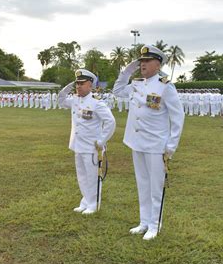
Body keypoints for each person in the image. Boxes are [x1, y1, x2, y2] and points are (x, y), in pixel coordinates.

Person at [113, 45, 184, 240]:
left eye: (146, 61)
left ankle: (155, 224)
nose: (142, 64)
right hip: (137, 142)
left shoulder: (165, 85)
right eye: (141, 61)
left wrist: (171, 145)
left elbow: (178, 117)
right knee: (142, 183)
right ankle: (144, 222)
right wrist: (127, 70)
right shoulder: (136, 84)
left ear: (157, 64)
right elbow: (117, 90)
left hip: (156, 143)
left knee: (155, 185)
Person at [58, 69, 116, 215]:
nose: (78, 86)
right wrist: (69, 86)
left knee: (92, 177)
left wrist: (101, 141)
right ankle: (85, 201)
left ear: (90, 85)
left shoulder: (96, 102)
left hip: (92, 147)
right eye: (77, 83)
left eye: (81, 83)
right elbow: (60, 101)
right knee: (82, 176)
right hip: (78, 145)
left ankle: (93, 204)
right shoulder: (75, 100)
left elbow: (110, 121)